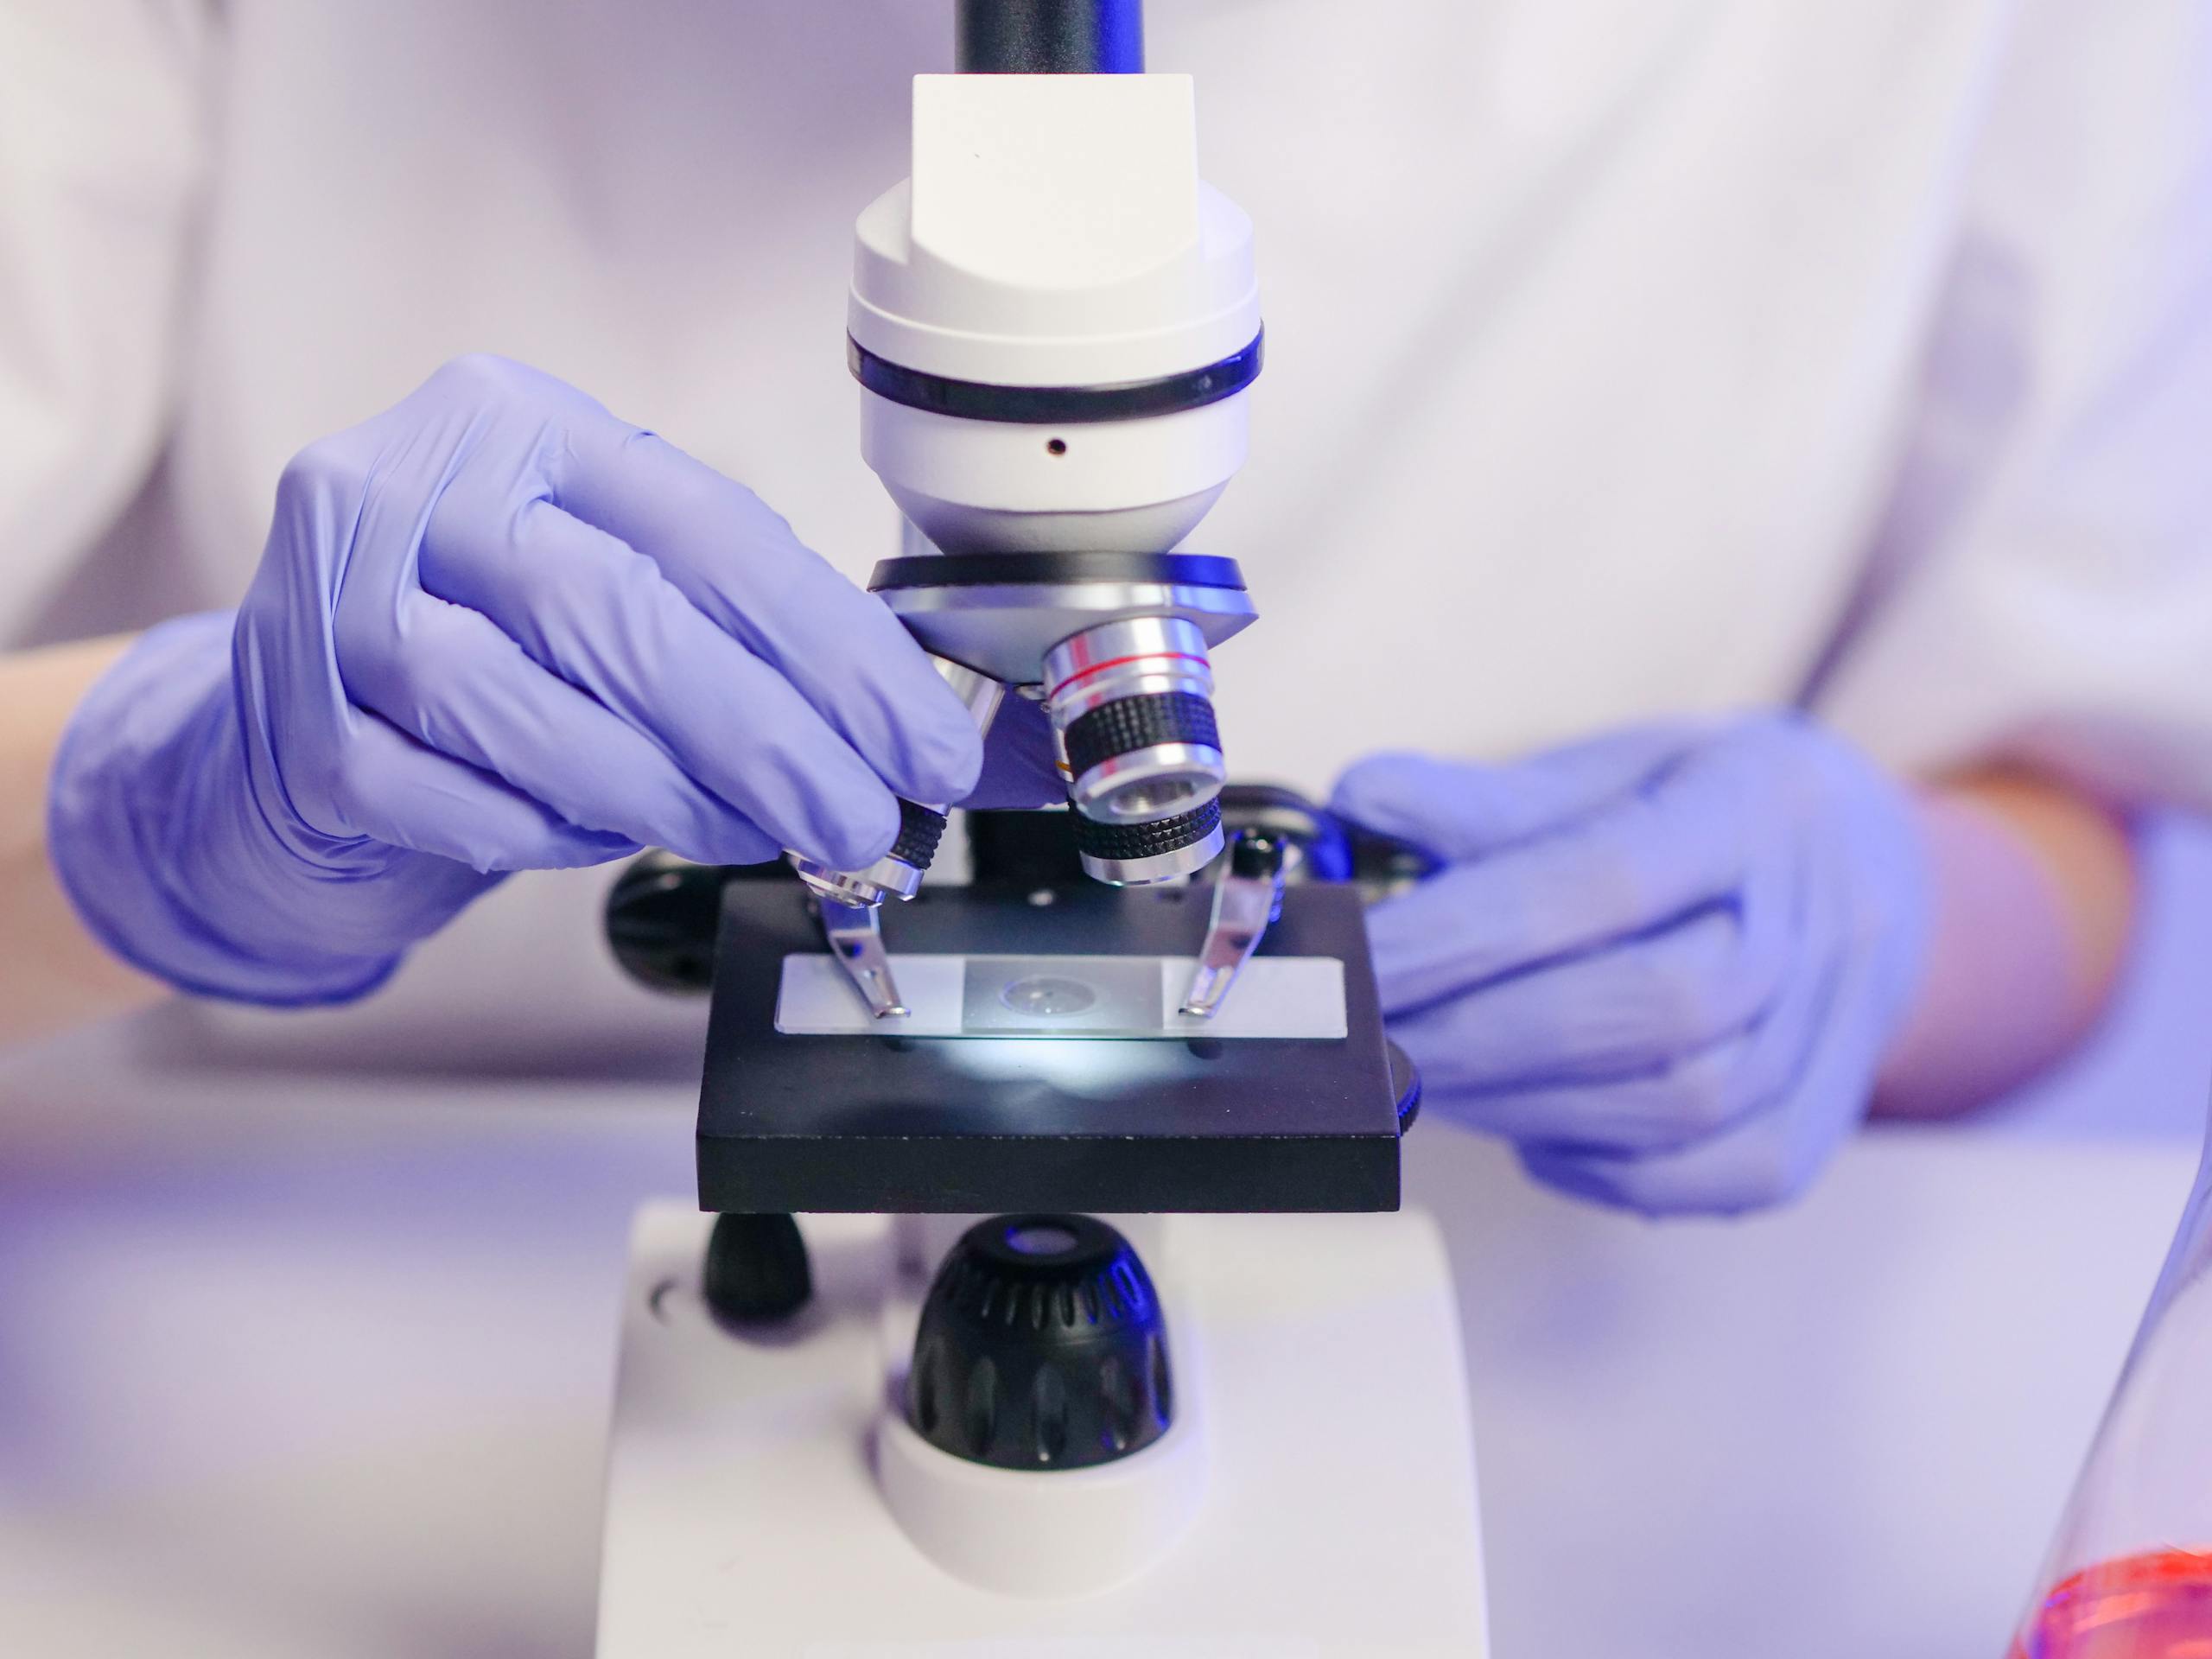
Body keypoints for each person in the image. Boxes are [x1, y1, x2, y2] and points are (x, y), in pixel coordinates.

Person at [3, 3, 2199, 1217]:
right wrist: (137, 810)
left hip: (1540, 1347)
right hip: (287, 1269)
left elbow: (2049, 789)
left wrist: (1863, 918)